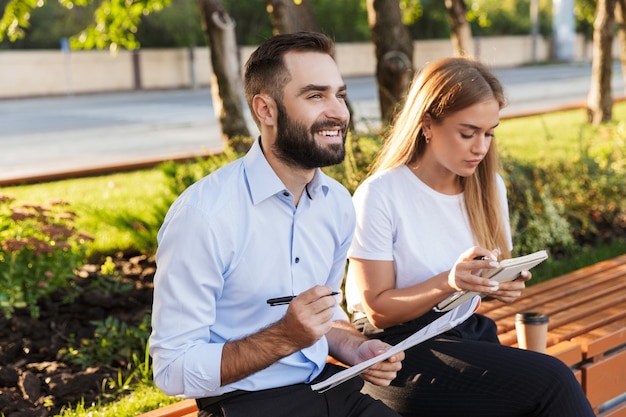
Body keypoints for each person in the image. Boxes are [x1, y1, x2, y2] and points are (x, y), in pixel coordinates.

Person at [148, 32, 404, 417]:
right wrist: (285, 337)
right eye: (316, 96)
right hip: (244, 405)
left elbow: (327, 315)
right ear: (265, 110)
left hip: (326, 389)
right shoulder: (204, 216)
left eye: (340, 94)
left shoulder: (336, 204)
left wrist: (355, 348)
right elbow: (171, 371)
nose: (338, 111)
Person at [345, 56, 595, 417]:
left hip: (465, 331)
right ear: (427, 125)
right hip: (396, 351)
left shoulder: (488, 188)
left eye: (489, 132)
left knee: (540, 391)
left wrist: (500, 286)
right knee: (552, 380)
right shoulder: (381, 194)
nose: (481, 147)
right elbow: (379, 311)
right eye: (468, 133)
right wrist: (449, 282)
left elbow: (481, 283)